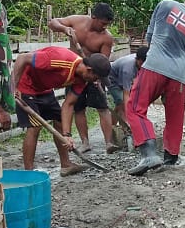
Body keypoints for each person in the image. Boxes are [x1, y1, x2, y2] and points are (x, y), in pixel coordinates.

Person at [126, 0, 185, 176]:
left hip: (154, 65)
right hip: (179, 73)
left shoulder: (165, 5)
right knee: (174, 117)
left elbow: (149, 36)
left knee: (135, 108)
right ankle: (170, 158)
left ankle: (149, 153)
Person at [11, 47, 111, 176]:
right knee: (35, 127)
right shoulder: (60, 59)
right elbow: (22, 58)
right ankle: (28, 173)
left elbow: (68, 105)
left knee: (59, 120)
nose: (96, 81)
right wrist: (14, 86)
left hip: (44, 89)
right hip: (25, 86)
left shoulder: (82, 80)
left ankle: (66, 165)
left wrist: (67, 135)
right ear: (89, 70)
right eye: (96, 78)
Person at [48, 3, 116, 153]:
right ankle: (85, 142)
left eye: (107, 24)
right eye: (103, 23)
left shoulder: (106, 38)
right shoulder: (77, 21)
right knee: (78, 108)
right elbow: (52, 22)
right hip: (75, 73)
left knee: (102, 107)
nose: (105, 27)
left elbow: (102, 61)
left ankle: (109, 142)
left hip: (93, 74)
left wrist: (96, 76)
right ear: (94, 17)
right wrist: (64, 29)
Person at [107, 45, 148, 140]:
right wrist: (129, 118)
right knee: (121, 102)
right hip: (112, 81)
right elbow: (126, 95)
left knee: (120, 105)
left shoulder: (143, 61)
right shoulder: (128, 69)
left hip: (122, 79)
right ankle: (125, 126)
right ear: (138, 60)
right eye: (143, 63)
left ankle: (112, 126)